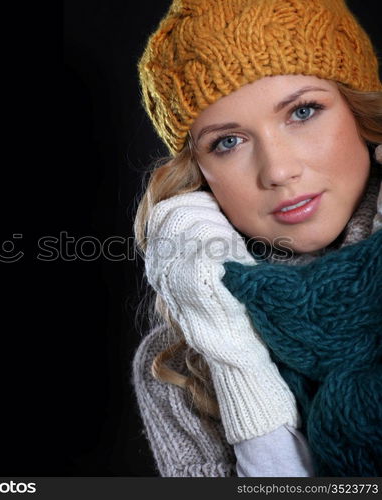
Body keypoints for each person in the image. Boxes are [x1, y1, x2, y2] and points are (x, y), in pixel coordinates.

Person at [131, 0, 382, 477]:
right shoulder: (178, 364)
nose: (279, 170)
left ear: (359, 111)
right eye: (228, 142)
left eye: (304, 111)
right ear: (200, 176)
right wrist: (235, 360)